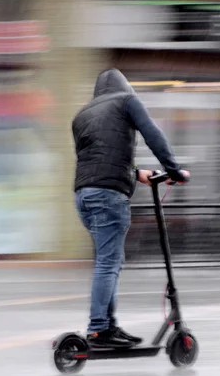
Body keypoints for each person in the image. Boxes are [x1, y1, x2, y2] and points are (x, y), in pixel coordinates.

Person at [72, 68, 190, 349]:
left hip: (84, 195)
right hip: (109, 195)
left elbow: (99, 155)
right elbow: (152, 133)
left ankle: (107, 326)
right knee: (108, 262)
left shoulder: (82, 115)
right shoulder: (127, 101)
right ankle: (99, 329)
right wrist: (173, 169)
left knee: (107, 261)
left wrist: (137, 172)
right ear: (124, 86)